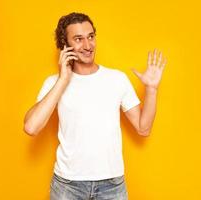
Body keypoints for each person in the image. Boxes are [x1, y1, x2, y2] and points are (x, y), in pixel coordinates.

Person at [23, 12, 166, 200]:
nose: (88, 45)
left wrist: (151, 90)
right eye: (78, 39)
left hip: (112, 186)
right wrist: (63, 80)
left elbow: (143, 128)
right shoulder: (54, 83)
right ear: (65, 45)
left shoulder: (117, 79)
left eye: (90, 37)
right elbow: (31, 127)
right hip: (68, 186)